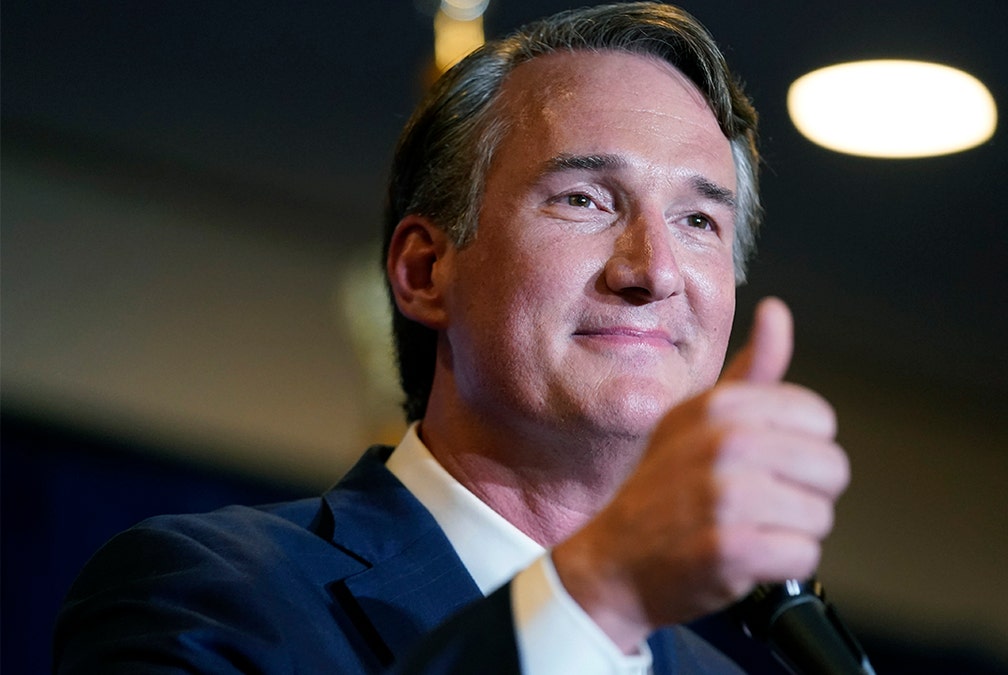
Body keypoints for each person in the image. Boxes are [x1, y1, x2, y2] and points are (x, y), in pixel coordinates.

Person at [54, 3, 850, 673]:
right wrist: (595, 594)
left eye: (698, 220)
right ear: (425, 270)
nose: (655, 270)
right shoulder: (207, 593)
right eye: (583, 199)